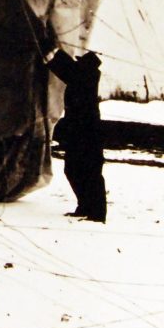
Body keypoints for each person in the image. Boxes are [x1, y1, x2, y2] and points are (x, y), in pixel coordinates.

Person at [41, 24, 107, 223]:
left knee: (86, 172)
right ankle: (86, 207)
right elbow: (69, 70)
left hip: (86, 134)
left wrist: (50, 52)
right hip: (84, 133)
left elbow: (68, 71)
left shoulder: (85, 79)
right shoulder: (84, 77)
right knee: (78, 170)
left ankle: (96, 212)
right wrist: (52, 55)